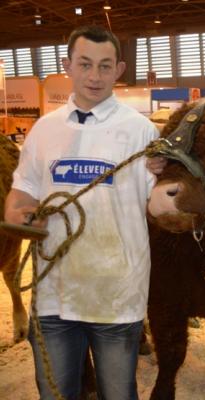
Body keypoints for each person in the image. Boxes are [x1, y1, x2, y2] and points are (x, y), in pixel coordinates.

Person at [4, 25, 158, 399]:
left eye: (105, 66)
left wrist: (184, 192)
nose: (94, 76)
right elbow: (21, 193)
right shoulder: (43, 130)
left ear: (119, 70)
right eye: (85, 64)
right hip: (54, 295)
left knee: (118, 394)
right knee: (56, 394)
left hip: (117, 296)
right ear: (67, 65)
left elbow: (158, 203)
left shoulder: (143, 133)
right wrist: (21, 214)